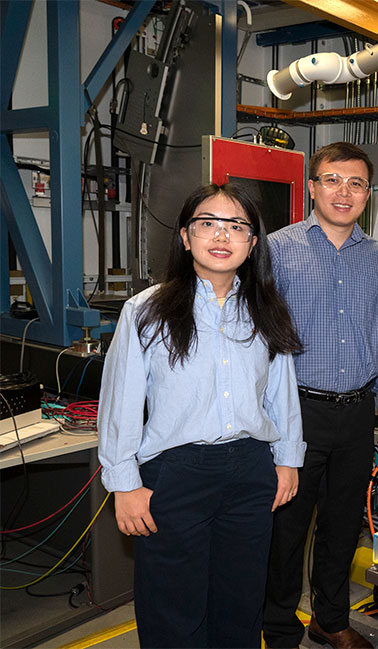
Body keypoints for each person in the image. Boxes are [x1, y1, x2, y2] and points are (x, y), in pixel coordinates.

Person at [97, 183, 304, 648]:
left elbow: (281, 393)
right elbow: (120, 403)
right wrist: (124, 484)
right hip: (175, 473)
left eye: (236, 227)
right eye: (207, 223)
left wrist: (288, 458)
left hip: (251, 471)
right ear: (186, 237)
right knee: (174, 605)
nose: (221, 235)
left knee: (241, 599)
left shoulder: (265, 310)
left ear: (252, 245)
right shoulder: (146, 311)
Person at [264, 142, 378, 649]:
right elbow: (258, 335)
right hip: (294, 410)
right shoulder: (277, 250)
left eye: (356, 183)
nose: (344, 192)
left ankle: (330, 619)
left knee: (343, 527)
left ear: (369, 193)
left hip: (357, 409)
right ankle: (277, 626)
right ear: (313, 187)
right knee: (287, 527)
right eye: (332, 180)